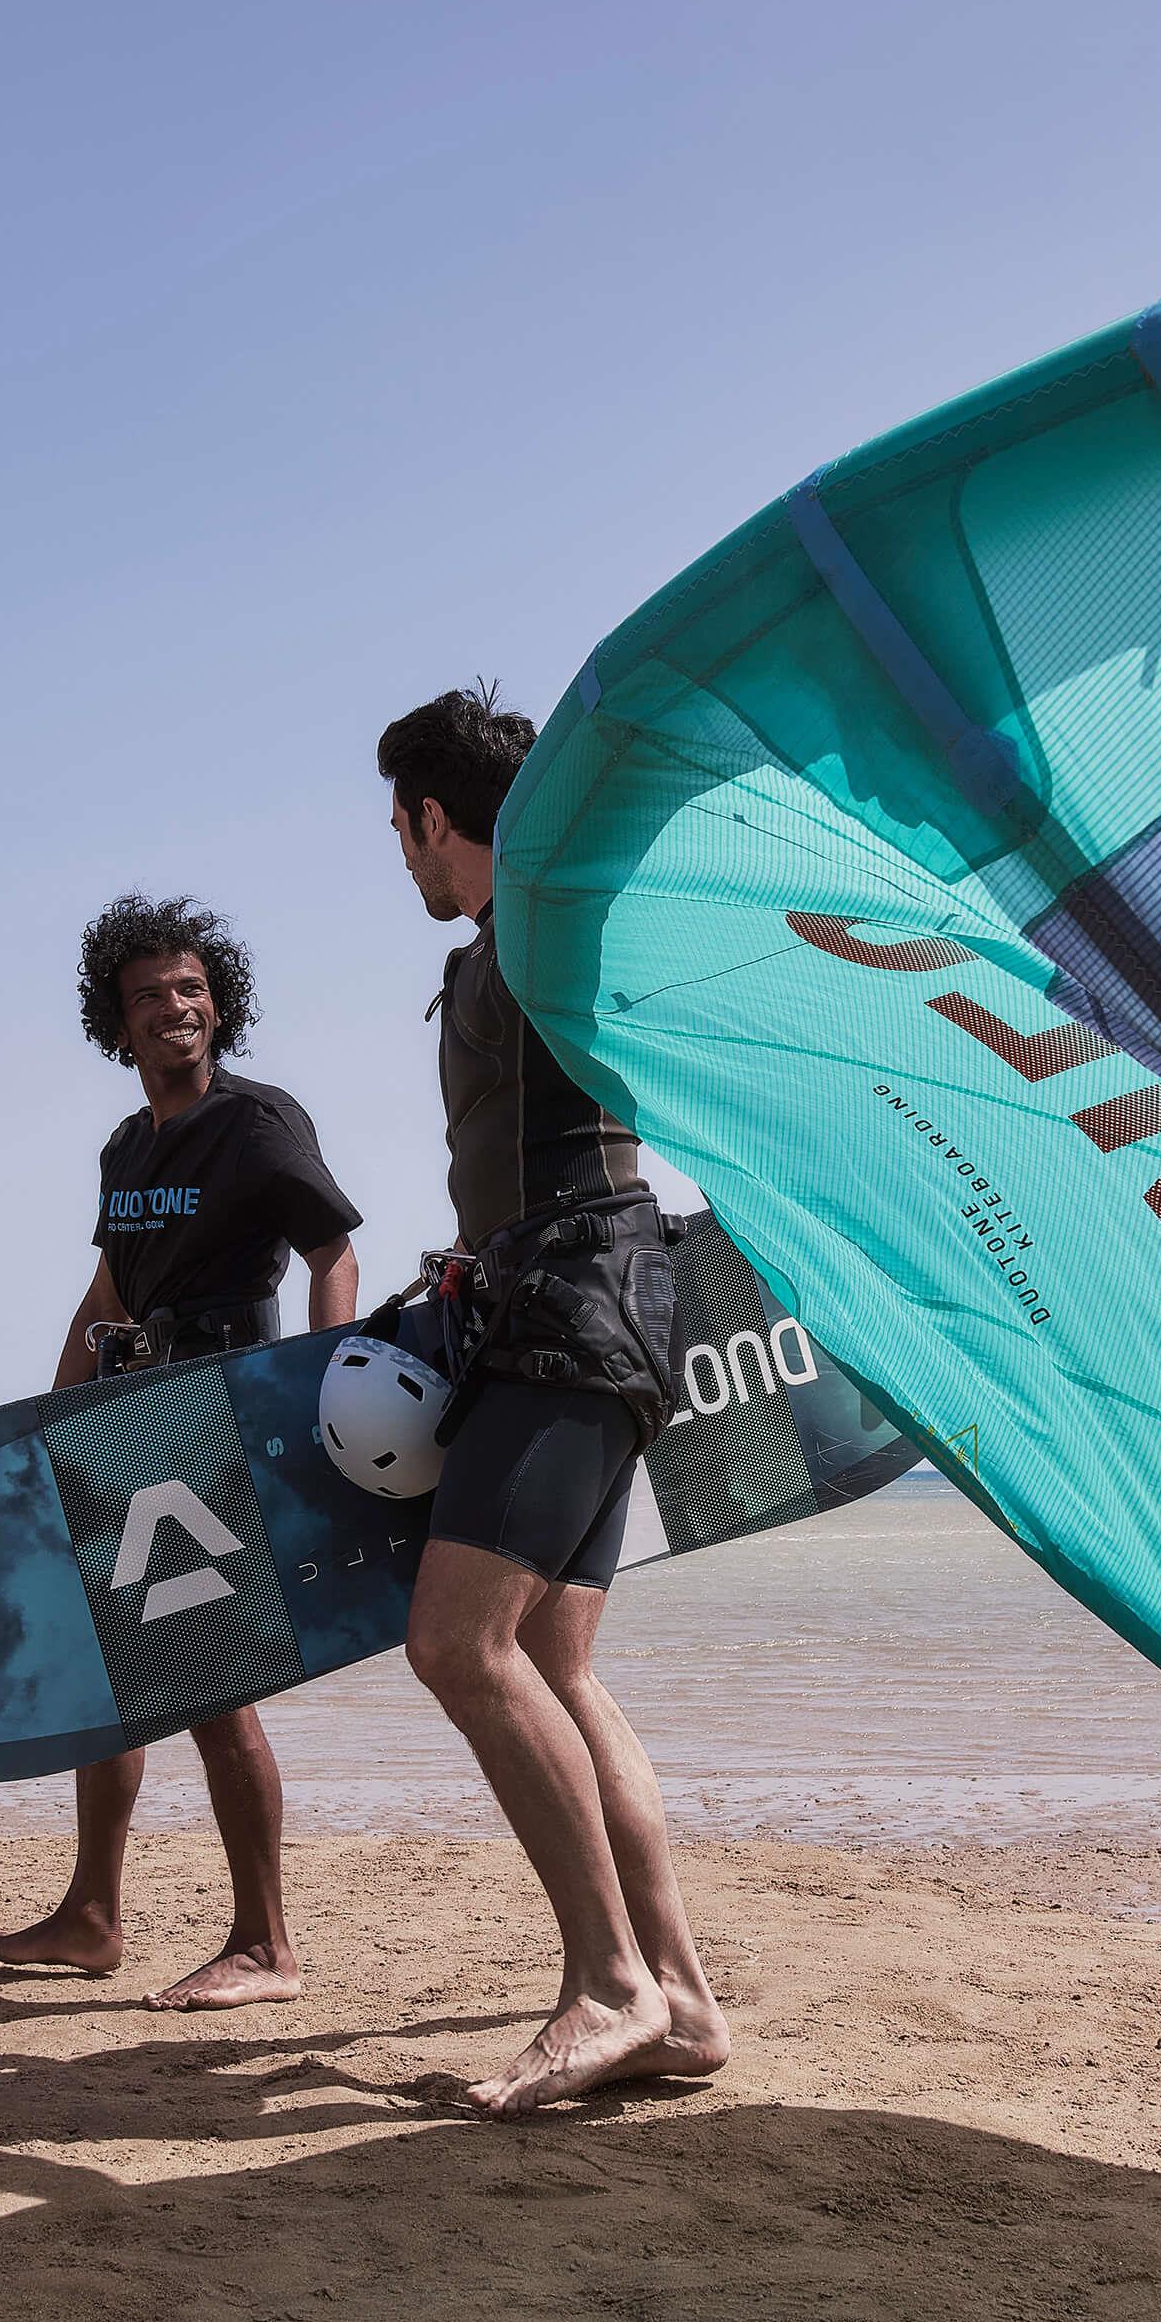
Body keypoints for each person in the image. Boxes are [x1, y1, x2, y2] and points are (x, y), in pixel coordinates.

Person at [377, 683, 731, 2115]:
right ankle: (680, 1999)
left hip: (572, 1306)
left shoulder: (538, 914)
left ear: (430, 817)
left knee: (457, 1645)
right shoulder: (500, 941)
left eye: (399, 831)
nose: (400, 858)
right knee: (554, 1664)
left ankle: (608, 1984)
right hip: (582, 1304)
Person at [0, 895, 362, 2009]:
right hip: (128, 1415)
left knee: (208, 1680)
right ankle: (93, 1915)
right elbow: (106, 1293)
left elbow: (332, 1251)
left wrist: (321, 1386)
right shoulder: (126, 1146)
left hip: (216, 1418)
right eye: (148, 995)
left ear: (218, 1003)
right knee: (113, 1667)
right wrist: (46, 1428)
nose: (173, 1007)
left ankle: (266, 1944)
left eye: (190, 988)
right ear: (118, 1021)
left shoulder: (255, 1121)